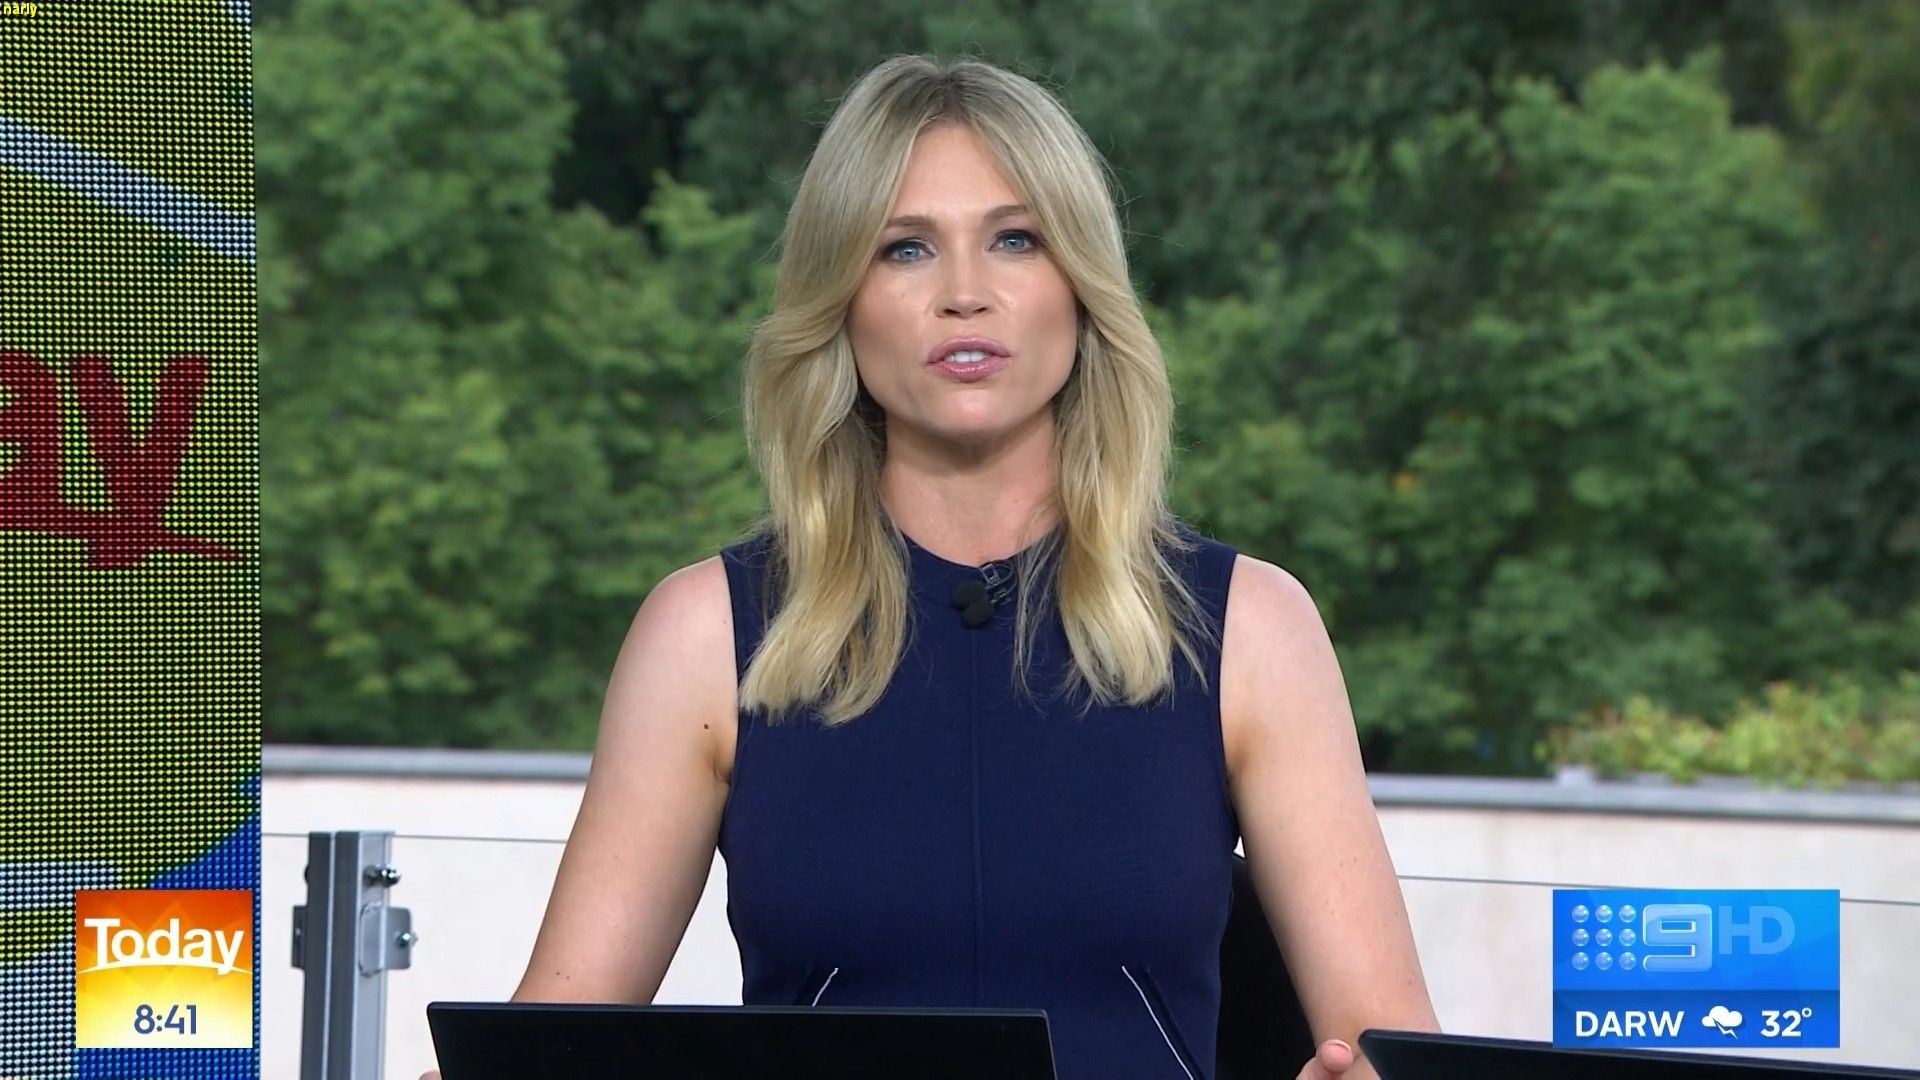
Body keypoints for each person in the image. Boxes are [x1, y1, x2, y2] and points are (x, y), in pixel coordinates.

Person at [431, 53, 1438, 1080]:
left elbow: (1382, 1046)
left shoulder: (1251, 626)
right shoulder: (704, 634)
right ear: (842, 299)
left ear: (1080, 287)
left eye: (1015, 240)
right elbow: (545, 1047)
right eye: (905, 248)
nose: (965, 294)